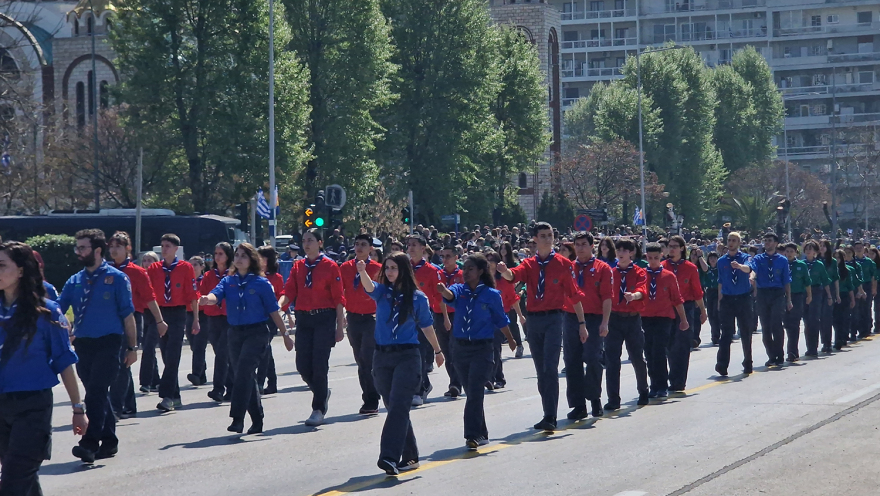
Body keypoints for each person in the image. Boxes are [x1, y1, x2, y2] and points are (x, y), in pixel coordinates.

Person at [0, 241, 86, 494]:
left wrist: (77, 409)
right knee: (23, 479)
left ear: (21, 271)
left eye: (2, 265)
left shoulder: (47, 313)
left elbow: (65, 361)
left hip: (32, 406)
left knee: (14, 480)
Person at [358, 253, 444, 476]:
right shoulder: (383, 293)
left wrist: (438, 351)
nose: (389, 272)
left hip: (407, 357)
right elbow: (369, 287)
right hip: (382, 357)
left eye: (394, 268)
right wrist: (361, 271)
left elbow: (426, 326)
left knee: (398, 406)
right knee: (395, 408)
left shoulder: (417, 298)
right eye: (387, 268)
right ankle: (411, 455)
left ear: (404, 270)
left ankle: (388, 457)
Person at [499, 222, 587, 432]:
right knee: (541, 371)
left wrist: (582, 323)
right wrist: (505, 272)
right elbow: (515, 276)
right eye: (543, 236)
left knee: (550, 368)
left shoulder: (564, 264)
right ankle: (547, 411)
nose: (548, 239)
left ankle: (551, 416)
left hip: (555, 319)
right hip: (534, 321)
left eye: (550, 235)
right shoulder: (529, 264)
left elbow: (574, 296)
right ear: (535, 240)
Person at [59, 229, 138, 463]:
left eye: (82, 248)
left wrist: (132, 348)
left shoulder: (117, 278)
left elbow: (128, 315)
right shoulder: (74, 281)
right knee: (98, 394)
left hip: (109, 342)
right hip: (83, 344)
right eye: (77, 247)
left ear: (97, 250)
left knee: (95, 393)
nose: (78, 252)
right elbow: (58, 309)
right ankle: (109, 441)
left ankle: (89, 443)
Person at [200, 243, 292, 434]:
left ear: (252, 260)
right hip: (234, 333)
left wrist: (285, 334)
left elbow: (273, 311)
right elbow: (216, 295)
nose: (239, 259)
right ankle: (257, 419)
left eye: (244, 255)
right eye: (237, 255)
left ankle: (237, 418)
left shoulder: (261, 283)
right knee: (245, 375)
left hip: (256, 333)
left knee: (243, 371)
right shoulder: (229, 281)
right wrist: (206, 299)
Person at [437, 253, 513, 450]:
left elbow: (501, 319)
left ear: (480, 271)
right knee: (471, 392)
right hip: (460, 348)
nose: (466, 272)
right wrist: (444, 290)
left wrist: (512, 340)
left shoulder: (491, 294)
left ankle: (472, 435)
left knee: (476, 391)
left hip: (483, 348)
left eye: (471, 268)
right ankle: (482, 433)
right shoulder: (459, 290)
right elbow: (450, 296)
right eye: (465, 268)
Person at [279, 228, 345, 427]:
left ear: (320, 243)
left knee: (319, 364)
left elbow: (338, 298)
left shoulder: (330, 266)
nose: (306, 244)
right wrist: (279, 303)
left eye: (310, 240)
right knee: (302, 365)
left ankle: (318, 408)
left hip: (324, 318)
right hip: (304, 319)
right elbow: (289, 290)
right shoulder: (298, 266)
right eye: (304, 241)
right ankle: (322, 390)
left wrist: (340, 326)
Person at [107, 231, 167, 420]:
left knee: (121, 362)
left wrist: (159, 321)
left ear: (128, 249)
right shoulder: (106, 270)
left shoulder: (137, 272)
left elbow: (150, 299)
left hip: (132, 318)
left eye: (118, 247)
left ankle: (116, 407)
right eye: (112, 247)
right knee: (119, 364)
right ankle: (128, 405)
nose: (114, 250)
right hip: (110, 320)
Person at [146, 234, 200, 412]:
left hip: (178, 313)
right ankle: (175, 396)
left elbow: (192, 295)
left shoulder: (185, 268)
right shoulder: (154, 268)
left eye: (168, 246)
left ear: (176, 248)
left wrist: (196, 320)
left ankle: (167, 396)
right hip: (161, 313)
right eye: (162, 246)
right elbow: (149, 293)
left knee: (173, 355)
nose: (164, 249)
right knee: (165, 353)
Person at [562, 232, 611, 420]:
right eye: (577, 244)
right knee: (571, 360)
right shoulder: (568, 268)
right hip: (571, 317)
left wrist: (605, 322)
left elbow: (607, 297)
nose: (580, 248)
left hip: (594, 317)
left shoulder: (602, 268)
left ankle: (594, 399)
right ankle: (578, 404)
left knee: (592, 358)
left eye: (584, 244)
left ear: (592, 246)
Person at [340, 234, 383, 415]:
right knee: (360, 360)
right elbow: (340, 292)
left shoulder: (378, 268)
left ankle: (371, 399)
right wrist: (340, 315)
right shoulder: (345, 268)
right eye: (357, 244)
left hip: (372, 318)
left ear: (371, 249)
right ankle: (368, 394)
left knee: (367, 357)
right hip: (353, 318)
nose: (359, 248)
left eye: (363, 245)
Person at [604, 238, 649, 410]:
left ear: (631, 253)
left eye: (624, 250)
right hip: (614, 318)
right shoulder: (610, 272)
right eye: (618, 250)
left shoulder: (639, 271)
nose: (620, 253)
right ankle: (613, 398)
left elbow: (642, 289)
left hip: (632, 318)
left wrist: (634, 295)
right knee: (612, 359)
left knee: (637, 356)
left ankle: (643, 391)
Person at [642, 243, 689, 399]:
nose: (653, 261)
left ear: (662, 256)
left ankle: (661, 385)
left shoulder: (669, 276)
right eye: (650, 258)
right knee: (648, 352)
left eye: (656, 257)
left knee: (659, 351)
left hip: (664, 318)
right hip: (646, 317)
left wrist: (683, 319)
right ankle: (653, 383)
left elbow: (677, 299)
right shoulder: (642, 274)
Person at [662, 236, 706, 391]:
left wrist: (702, 310)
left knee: (682, 346)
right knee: (668, 345)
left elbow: (697, 291)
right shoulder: (662, 266)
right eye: (670, 246)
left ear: (682, 248)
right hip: (666, 309)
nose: (672, 249)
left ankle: (678, 380)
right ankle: (670, 376)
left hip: (686, 308)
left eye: (675, 246)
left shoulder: (690, 267)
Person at [405, 234, 444, 406]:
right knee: (410, 356)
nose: (411, 248)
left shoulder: (432, 270)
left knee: (419, 355)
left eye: (415, 245)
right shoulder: (404, 268)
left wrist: (444, 318)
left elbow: (439, 297)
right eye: (409, 245)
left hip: (424, 317)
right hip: (406, 317)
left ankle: (418, 391)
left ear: (423, 248)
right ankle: (425, 384)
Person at [748, 233, 792, 367]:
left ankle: (779, 354)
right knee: (766, 326)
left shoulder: (782, 260)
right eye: (765, 240)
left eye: (770, 241)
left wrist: (789, 299)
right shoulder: (758, 258)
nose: (767, 243)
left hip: (778, 293)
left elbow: (786, 281)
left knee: (776, 324)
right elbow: (753, 269)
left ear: (776, 243)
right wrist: (752, 276)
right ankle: (771, 355)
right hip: (763, 293)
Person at [716, 232, 754, 376]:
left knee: (745, 332)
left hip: (743, 298)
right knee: (726, 333)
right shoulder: (721, 261)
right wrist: (720, 300)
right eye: (729, 240)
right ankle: (722, 364)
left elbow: (748, 269)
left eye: (734, 240)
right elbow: (721, 282)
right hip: (727, 299)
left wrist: (739, 266)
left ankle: (748, 362)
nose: (731, 243)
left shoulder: (745, 258)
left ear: (739, 243)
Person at [200, 242, 235, 402]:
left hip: (229, 318)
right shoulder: (209, 275)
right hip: (213, 317)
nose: (217, 256)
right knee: (223, 355)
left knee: (222, 353)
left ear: (228, 256)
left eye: (221, 253)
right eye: (216, 253)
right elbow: (202, 292)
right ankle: (232, 387)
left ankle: (218, 388)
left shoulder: (234, 274)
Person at [486, 251, 524, 389]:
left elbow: (513, 298)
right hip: (483, 319)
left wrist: (520, 316)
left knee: (495, 348)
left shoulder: (503, 280)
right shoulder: (480, 280)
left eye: (492, 260)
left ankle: (496, 378)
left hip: (499, 319)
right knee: (486, 349)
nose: (489, 262)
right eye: (487, 260)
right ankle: (494, 377)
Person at [257, 246, 284, 396]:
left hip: (270, 318)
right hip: (256, 317)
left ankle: (260, 382)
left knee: (264, 349)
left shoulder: (276, 278)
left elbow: (281, 297)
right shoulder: (253, 275)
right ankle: (271, 382)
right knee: (265, 351)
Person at [437, 245, 464, 395]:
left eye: (448, 256)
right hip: (440, 314)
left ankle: (456, 383)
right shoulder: (438, 274)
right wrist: (445, 317)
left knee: (456, 349)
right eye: (443, 256)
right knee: (447, 351)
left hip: (457, 314)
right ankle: (454, 382)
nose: (445, 260)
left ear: (456, 258)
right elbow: (438, 298)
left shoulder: (462, 275)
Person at [802, 240, 832, 357]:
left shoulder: (819, 264)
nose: (808, 251)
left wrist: (829, 296)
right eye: (807, 249)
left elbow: (825, 281)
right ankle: (809, 346)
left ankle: (813, 347)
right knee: (806, 321)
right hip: (803, 292)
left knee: (814, 320)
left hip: (816, 292)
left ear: (815, 252)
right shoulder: (801, 264)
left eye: (811, 249)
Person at [782, 243, 812, 362]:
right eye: (787, 251)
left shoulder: (801, 265)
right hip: (782, 297)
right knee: (786, 324)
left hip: (798, 296)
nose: (789, 254)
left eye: (791, 251)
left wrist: (809, 295)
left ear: (796, 253)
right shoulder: (782, 263)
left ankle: (792, 352)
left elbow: (807, 281)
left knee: (794, 324)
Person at [499, 241, 525, 357]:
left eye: (505, 248)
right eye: (501, 248)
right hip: (500, 298)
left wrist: (520, 291)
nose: (503, 250)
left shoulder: (514, 264)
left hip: (513, 297)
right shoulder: (497, 265)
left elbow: (521, 280)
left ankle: (519, 345)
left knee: (513, 323)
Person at [186, 256, 208, 386]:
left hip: (204, 314)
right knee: (194, 345)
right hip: (189, 313)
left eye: (195, 265)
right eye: (190, 265)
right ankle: (202, 374)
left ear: (202, 267)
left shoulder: (204, 280)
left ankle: (196, 373)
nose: (192, 267)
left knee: (199, 344)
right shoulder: (188, 281)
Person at [834, 249, 859, 350]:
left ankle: (843, 337)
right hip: (834, 295)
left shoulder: (847, 270)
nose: (836, 260)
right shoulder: (831, 269)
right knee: (836, 320)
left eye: (838, 257)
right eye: (834, 257)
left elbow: (850, 286)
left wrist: (852, 300)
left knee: (844, 318)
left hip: (844, 296)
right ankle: (838, 339)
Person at [851, 240, 877, 339]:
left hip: (866, 286)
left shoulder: (869, 262)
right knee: (856, 309)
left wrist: (874, 288)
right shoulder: (853, 261)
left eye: (860, 248)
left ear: (863, 249)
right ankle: (856, 329)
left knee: (866, 308)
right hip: (855, 286)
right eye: (856, 248)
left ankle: (866, 329)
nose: (858, 250)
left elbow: (873, 276)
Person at [819, 240, 840, 354]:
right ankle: (821, 342)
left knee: (827, 317)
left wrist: (836, 294)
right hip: (817, 291)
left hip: (829, 291)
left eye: (824, 246)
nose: (822, 248)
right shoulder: (815, 260)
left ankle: (827, 343)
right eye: (820, 246)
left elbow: (836, 278)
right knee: (818, 319)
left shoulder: (832, 261)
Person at [700, 252, 721, 345]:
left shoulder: (720, 269)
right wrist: (700, 256)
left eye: (714, 258)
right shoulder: (707, 269)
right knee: (711, 314)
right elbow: (705, 269)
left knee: (716, 313)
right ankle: (714, 335)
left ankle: (717, 335)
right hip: (710, 292)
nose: (712, 259)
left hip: (718, 291)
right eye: (711, 258)